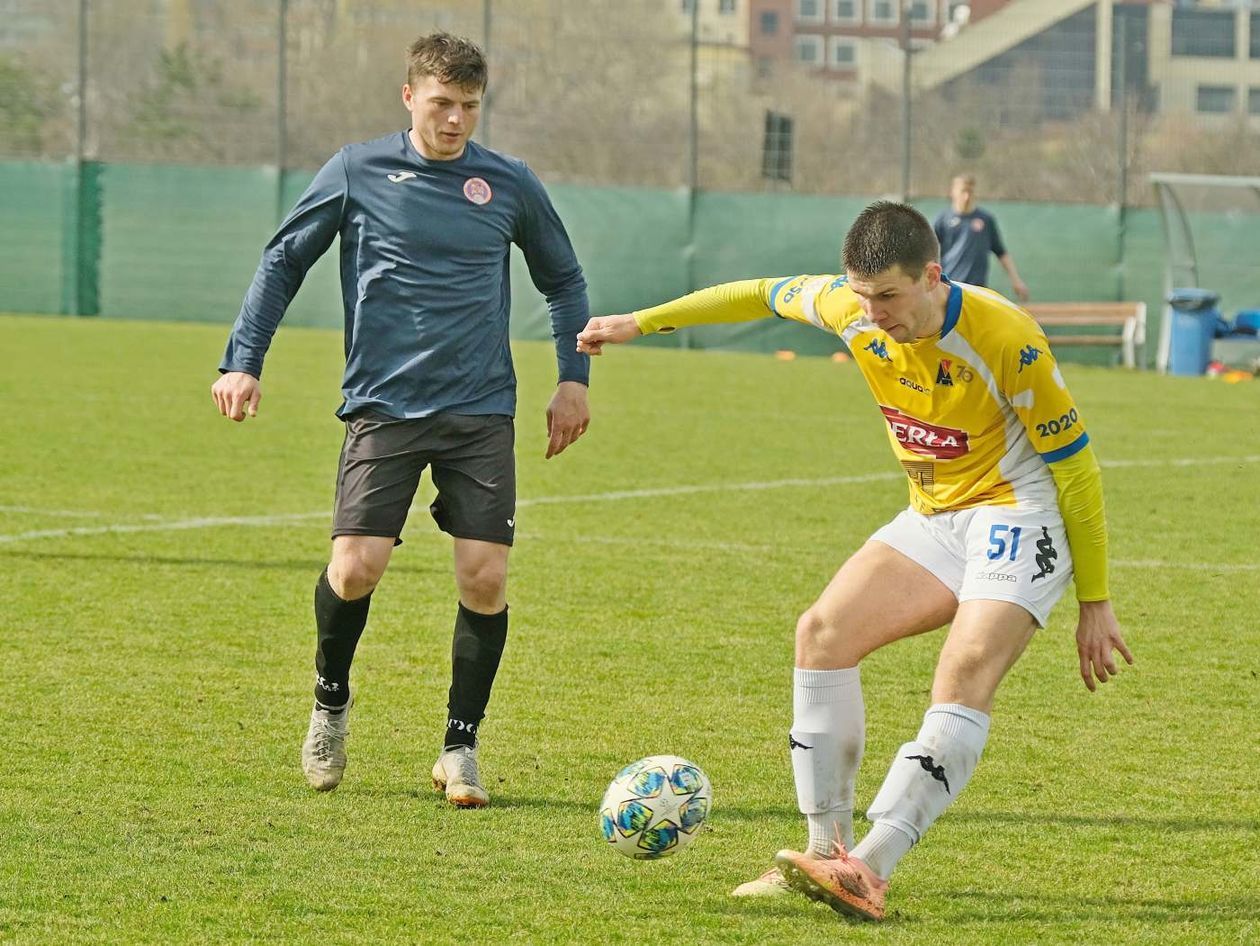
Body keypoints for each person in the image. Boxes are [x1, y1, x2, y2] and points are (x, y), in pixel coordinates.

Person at [576, 201, 1131, 921]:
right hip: (936, 514)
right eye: (863, 297)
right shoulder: (850, 306)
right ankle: (824, 854)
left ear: (934, 277)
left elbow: (1078, 473)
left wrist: (1096, 600)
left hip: (1019, 512)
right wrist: (639, 322)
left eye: (890, 297)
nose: (872, 315)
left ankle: (871, 865)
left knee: (962, 672)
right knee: (822, 634)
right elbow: (754, 293)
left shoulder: (1006, 338)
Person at [211, 32, 591, 807]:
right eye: (443, 103)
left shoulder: (508, 183)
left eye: (470, 107)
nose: (455, 121)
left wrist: (573, 380)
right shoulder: (357, 169)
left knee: (485, 578)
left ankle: (460, 747)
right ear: (409, 95)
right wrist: (242, 359)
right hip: (384, 404)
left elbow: (564, 281)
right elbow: (285, 259)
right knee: (355, 569)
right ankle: (329, 704)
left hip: (480, 408)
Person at [933, 173, 1029, 302]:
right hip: (950, 288)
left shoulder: (986, 220)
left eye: (970, 192)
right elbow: (927, 252)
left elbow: (1001, 253)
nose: (967, 196)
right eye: (963, 191)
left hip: (977, 291)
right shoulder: (942, 220)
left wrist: (1016, 280)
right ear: (952, 192)